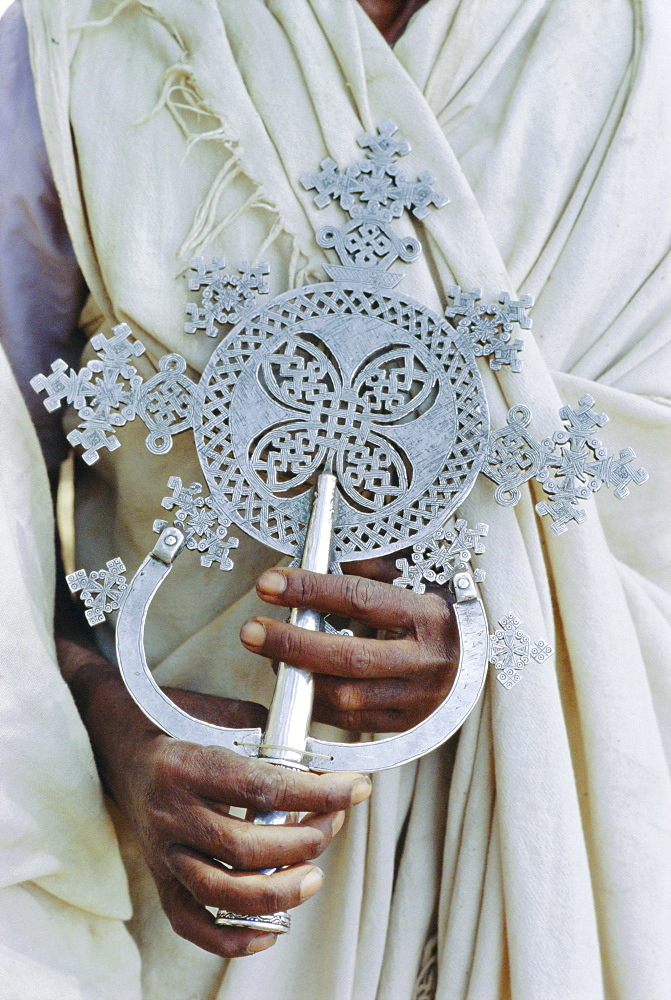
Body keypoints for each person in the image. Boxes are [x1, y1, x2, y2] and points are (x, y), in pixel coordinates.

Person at [1, 1, 670, 999]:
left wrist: (517, 632)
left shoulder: (638, 62)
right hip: (184, 917)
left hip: (586, 885)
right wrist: (115, 730)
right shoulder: (76, 43)